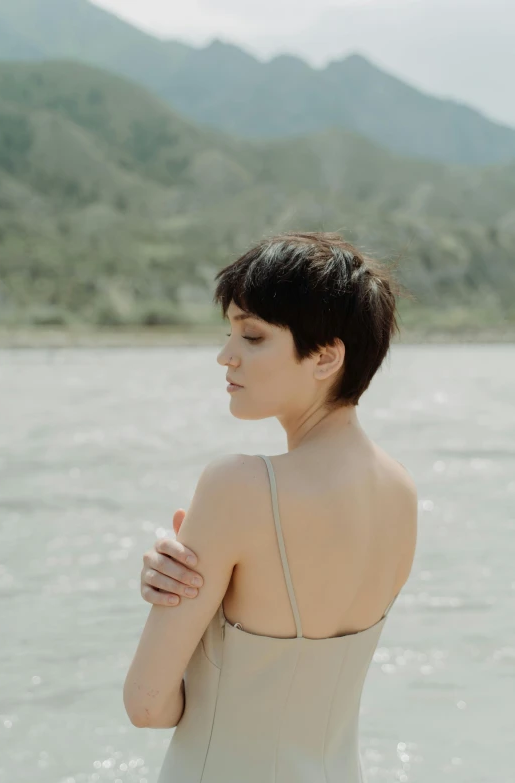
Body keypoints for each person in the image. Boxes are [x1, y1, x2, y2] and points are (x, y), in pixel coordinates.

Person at [123, 231, 418, 782]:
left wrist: (184, 613)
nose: (225, 356)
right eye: (230, 331)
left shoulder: (239, 485)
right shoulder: (400, 490)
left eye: (253, 337)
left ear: (326, 356)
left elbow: (146, 705)